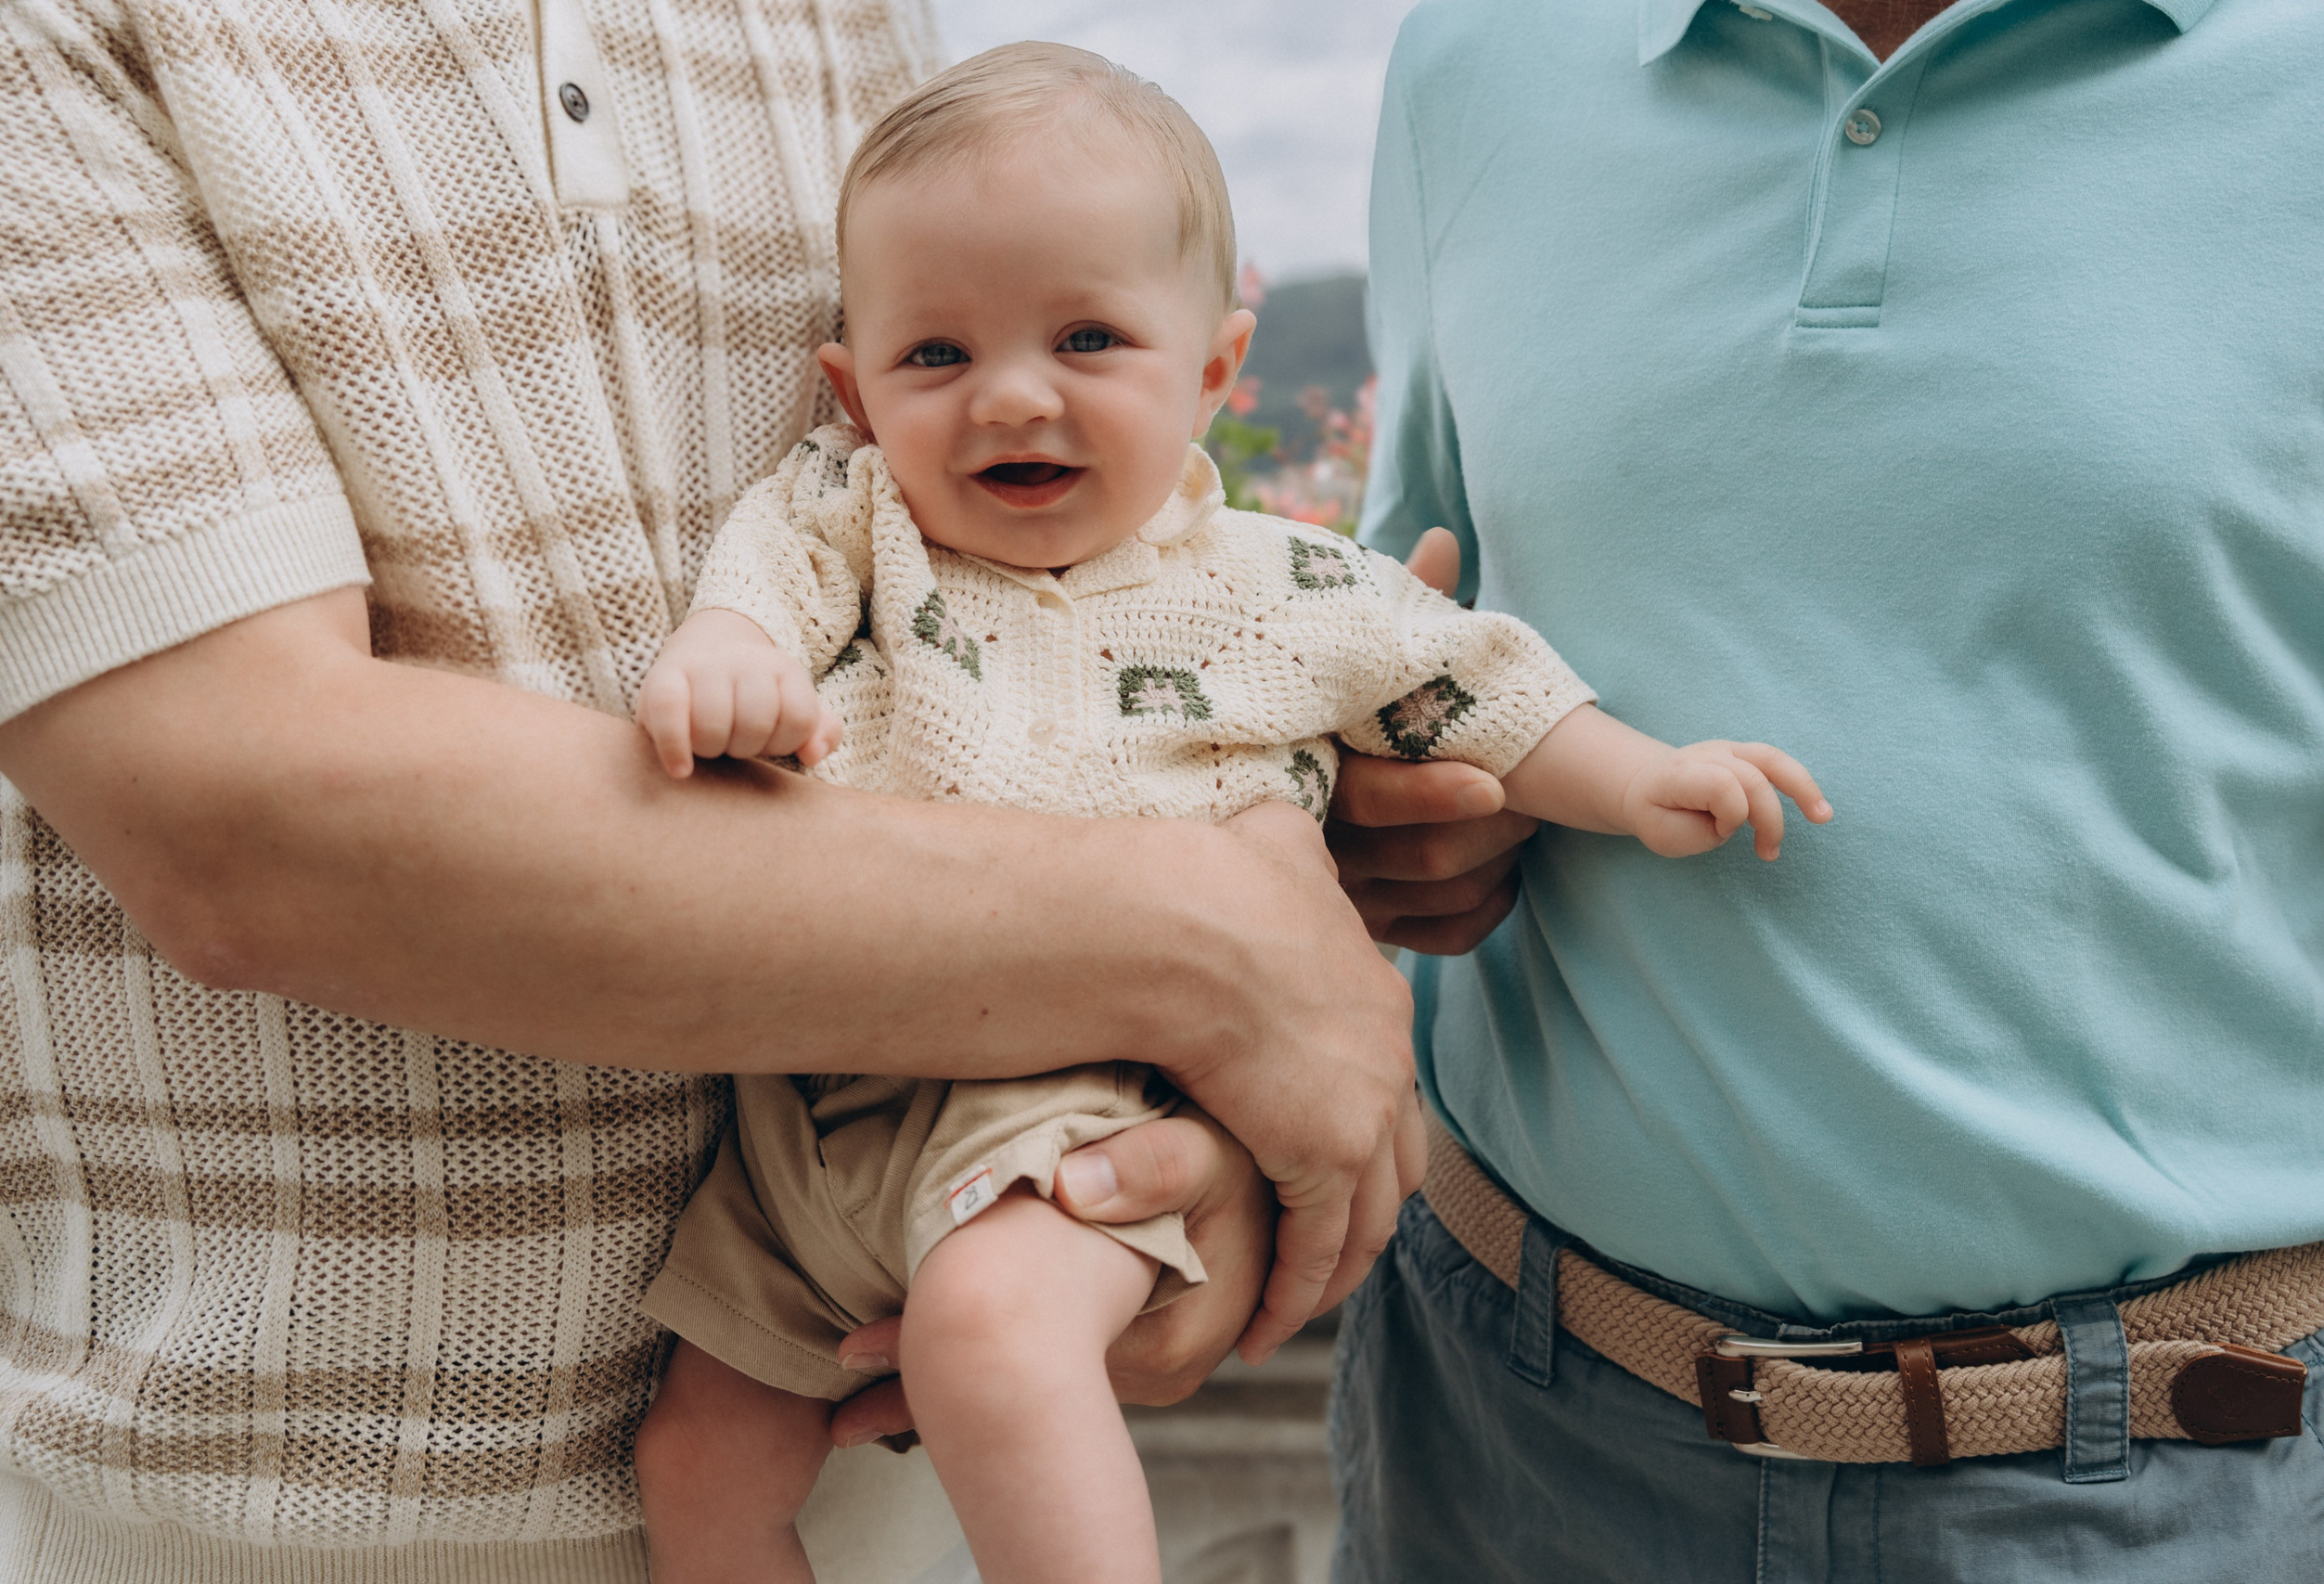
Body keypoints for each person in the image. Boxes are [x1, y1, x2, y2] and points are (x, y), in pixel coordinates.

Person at [0, 2, 1486, 1579]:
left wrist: (1167, 1128)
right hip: (249, 1525)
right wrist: (1209, 958)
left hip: (901, 1455)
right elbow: (243, 825)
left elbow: (1014, 652)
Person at [616, 43, 1832, 1584]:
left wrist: (1641, 778)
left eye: (1086, 338)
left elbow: (1461, 681)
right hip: (808, 1132)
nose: (1009, 395)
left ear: (1211, 371)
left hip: (1058, 1099)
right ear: (853, 391)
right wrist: (728, 655)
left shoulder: (1262, 586)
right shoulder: (854, 518)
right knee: (696, 1459)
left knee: (992, 1341)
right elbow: (763, 581)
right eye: (935, 357)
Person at [1333, 0, 2324, 1579]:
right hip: (1503, 1439)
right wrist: (1409, 834)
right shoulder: (1475, 53)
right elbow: (1402, 640)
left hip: (2178, 1489)